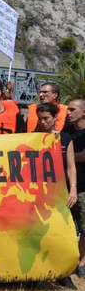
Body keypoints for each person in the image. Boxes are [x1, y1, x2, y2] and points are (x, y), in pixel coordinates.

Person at [36, 102, 78, 290]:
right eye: (40, 118)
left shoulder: (66, 138)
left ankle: (63, 274)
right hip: (38, 193)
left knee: (62, 233)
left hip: (60, 193)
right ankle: (37, 273)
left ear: (55, 118)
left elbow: (71, 167)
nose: (43, 122)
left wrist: (73, 189)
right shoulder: (32, 138)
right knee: (38, 232)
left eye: (46, 118)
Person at [62, 99, 85, 279]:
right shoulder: (66, 131)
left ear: (83, 112)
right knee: (66, 226)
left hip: (83, 187)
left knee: (84, 228)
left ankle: (82, 264)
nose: (68, 112)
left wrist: (66, 155)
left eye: (72, 109)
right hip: (65, 186)